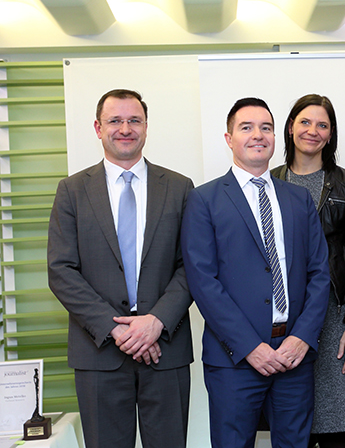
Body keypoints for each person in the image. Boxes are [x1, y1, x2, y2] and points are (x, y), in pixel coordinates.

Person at [47, 89, 194, 448]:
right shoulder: (72, 190)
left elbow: (193, 266)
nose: (125, 128)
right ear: (98, 128)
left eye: (134, 120)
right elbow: (61, 270)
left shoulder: (179, 188)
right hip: (98, 353)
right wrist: (120, 332)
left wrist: (155, 321)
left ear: (146, 127)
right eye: (115, 120)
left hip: (166, 349)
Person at [181, 97, 330, 448]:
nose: (257, 135)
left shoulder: (298, 199)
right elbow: (203, 282)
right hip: (234, 359)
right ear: (229, 138)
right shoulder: (204, 200)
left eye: (266, 128)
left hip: (294, 355)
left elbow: (320, 273)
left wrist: (302, 337)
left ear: (277, 137)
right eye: (246, 127)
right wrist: (250, 347)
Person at [271, 94, 345, 448]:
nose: (313, 131)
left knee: (337, 425)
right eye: (305, 122)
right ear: (291, 127)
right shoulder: (269, 182)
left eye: (322, 125)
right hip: (282, 318)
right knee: (293, 425)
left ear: (331, 134)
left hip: (335, 317)